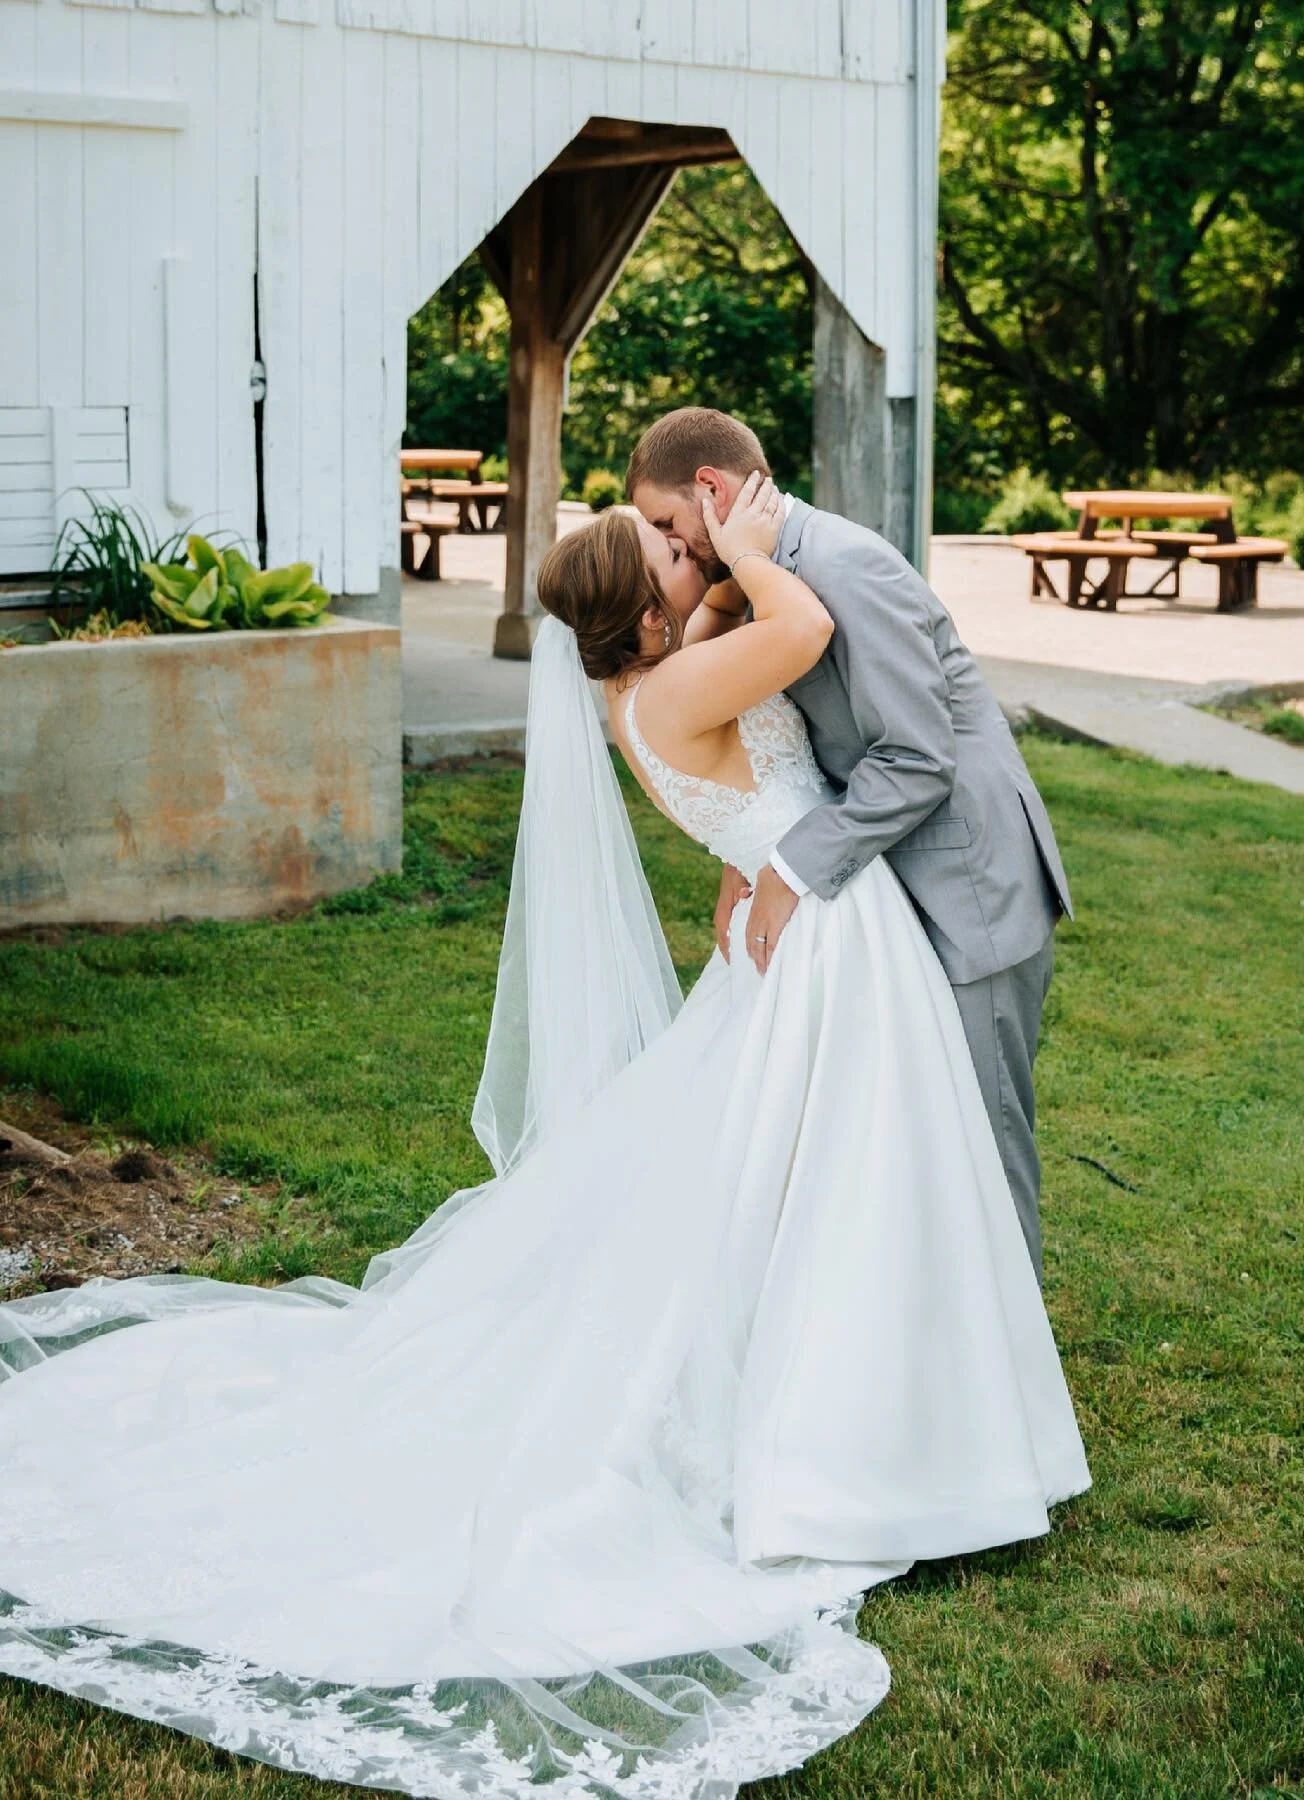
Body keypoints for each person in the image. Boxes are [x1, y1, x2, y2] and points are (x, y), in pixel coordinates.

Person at [0, 474, 1088, 1800]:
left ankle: (916, 1398)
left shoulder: (659, 683)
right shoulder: (681, 684)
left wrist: (755, 862)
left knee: (825, 1185)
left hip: (814, 938)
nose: (690, 560)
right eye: (669, 557)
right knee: (841, 1182)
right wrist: (756, 544)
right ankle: (866, 1442)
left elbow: (757, 761)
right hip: (829, 949)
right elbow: (800, 637)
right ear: (646, 606)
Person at [629, 409, 1072, 1281]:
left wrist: (790, 866)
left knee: (980, 1137)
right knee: (918, 1140)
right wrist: (743, 857)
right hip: (894, 886)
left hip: (968, 884)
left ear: (710, 491)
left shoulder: (843, 565)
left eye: (667, 525)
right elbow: (783, 741)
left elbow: (917, 756)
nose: (669, 547)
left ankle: (1009, 1374)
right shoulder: (766, 575)